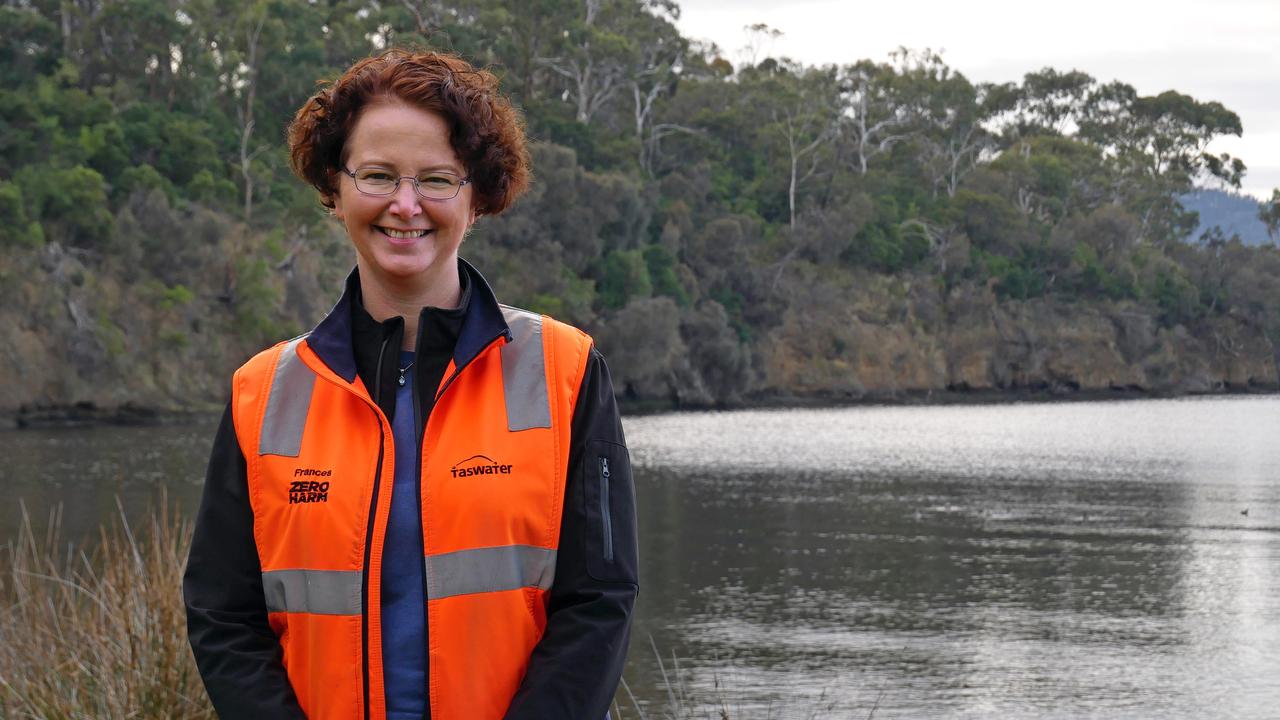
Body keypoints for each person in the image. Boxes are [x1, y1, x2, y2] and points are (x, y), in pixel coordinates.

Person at [183, 49, 638, 720]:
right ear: (335, 191)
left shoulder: (565, 371)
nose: (405, 204)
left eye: (436, 179)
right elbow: (224, 616)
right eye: (377, 175)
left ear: (477, 195)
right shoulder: (263, 392)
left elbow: (599, 602)